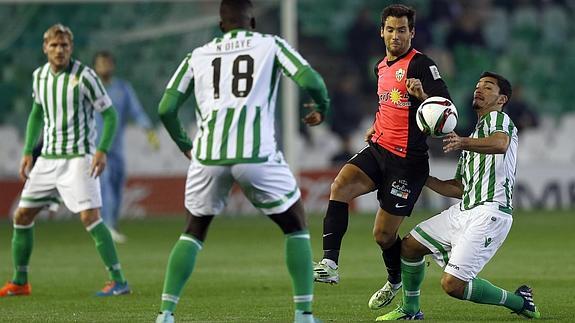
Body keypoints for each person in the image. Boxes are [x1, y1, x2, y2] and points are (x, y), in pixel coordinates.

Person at [154, 1, 330, 322]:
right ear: (253, 21)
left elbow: (166, 108)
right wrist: (322, 105)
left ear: (221, 25)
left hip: (207, 156)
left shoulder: (197, 55)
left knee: (193, 231)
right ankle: (303, 314)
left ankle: (166, 313)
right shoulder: (270, 44)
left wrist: (184, 144)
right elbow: (311, 81)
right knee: (296, 226)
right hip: (255, 154)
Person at [312, 4, 452, 311]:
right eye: (390, 29)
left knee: (383, 235)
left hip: (408, 163)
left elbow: (447, 110)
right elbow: (388, 105)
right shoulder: (380, 67)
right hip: (379, 148)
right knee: (340, 186)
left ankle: (395, 281)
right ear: (382, 32)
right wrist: (376, 126)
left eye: (402, 30)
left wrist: (423, 97)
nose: (396, 36)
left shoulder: (421, 65)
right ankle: (330, 264)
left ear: (411, 33)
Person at [376, 72, 541, 320]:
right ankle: (410, 310)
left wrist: (462, 142)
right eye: (478, 86)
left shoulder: (500, 119)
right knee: (409, 246)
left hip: (490, 213)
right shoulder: (474, 136)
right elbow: (458, 188)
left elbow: (500, 144)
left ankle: (520, 302)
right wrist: (422, 178)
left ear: (502, 99)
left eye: (488, 87)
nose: (479, 89)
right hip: (465, 208)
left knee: (453, 285)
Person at [0, 24, 130, 297]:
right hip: (47, 159)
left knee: (90, 217)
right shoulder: (39, 77)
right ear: (45, 48)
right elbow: (37, 112)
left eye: (65, 46)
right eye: (54, 45)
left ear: (71, 48)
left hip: (78, 158)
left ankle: (118, 280)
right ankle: (20, 281)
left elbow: (110, 115)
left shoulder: (85, 76)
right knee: (22, 216)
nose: (59, 50)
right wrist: (27, 151)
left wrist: (102, 149)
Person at [93, 51, 160, 243]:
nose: (104, 66)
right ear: (95, 67)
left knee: (116, 185)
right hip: (96, 148)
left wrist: (149, 130)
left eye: (107, 63)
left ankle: (112, 223)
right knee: (104, 184)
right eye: (100, 63)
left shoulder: (123, 88)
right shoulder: (89, 88)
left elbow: (136, 111)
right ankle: (107, 226)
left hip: (117, 148)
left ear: (113, 66)